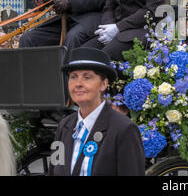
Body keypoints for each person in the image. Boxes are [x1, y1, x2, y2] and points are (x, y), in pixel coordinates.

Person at [49, 47, 145, 176]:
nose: (78, 83)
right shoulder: (64, 126)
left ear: (103, 84)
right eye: (73, 77)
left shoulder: (124, 129)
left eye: (87, 77)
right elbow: (54, 170)